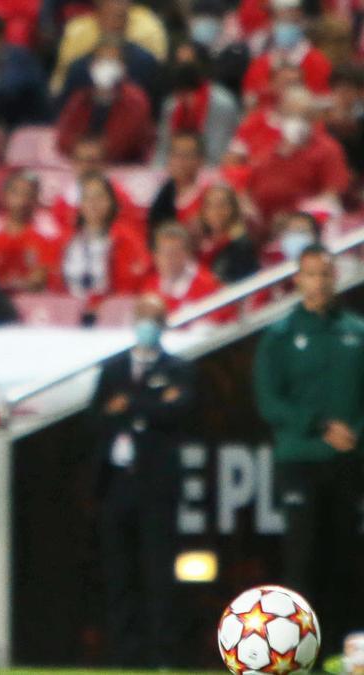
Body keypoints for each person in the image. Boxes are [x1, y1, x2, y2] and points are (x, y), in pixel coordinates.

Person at [253, 244, 364, 656]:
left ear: (336, 278)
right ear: (298, 280)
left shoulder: (356, 331)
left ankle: (340, 652)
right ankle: (300, 655)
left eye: (326, 274)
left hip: (348, 460)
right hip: (300, 459)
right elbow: (269, 401)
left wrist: (354, 434)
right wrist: (319, 426)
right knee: (302, 559)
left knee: (344, 556)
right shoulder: (279, 336)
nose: (319, 282)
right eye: (311, 274)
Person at [89, 293, 195, 668]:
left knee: (158, 574)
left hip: (157, 485)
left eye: (156, 317)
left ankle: (162, 656)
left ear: (164, 324)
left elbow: (179, 409)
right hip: (117, 484)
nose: (148, 324)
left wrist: (129, 404)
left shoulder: (178, 368)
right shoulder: (114, 369)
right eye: (143, 316)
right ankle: (124, 657)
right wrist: (151, 401)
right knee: (120, 575)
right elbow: (96, 418)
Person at [243, 86, 351, 224]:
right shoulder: (269, 150)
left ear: (313, 118)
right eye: (291, 114)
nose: (297, 121)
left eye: (304, 115)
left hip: (306, 225)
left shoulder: (328, 149)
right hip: (265, 223)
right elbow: (250, 190)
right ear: (280, 115)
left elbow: (331, 196)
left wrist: (295, 218)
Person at [55, 37, 154, 163]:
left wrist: (93, 152)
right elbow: (64, 137)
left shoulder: (136, 100)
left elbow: (124, 142)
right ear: (92, 66)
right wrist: (81, 151)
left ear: (123, 67)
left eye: (111, 61)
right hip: (83, 164)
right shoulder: (81, 97)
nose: (106, 66)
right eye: (101, 60)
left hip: (125, 167)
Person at [62, 174, 151, 310]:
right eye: (88, 197)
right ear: (80, 204)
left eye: (99, 197)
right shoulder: (68, 239)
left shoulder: (126, 238)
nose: (93, 203)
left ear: (111, 202)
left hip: (111, 313)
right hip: (69, 312)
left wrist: (106, 307)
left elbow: (132, 284)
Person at [50, 0, 167, 96]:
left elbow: (155, 80)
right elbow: (60, 84)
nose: (117, 6)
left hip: (134, 104)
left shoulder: (148, 28)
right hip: (85, 107)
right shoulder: (77, 31)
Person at [154, 41, 239, 166]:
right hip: (176, 167)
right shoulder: (171, 105)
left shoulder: (222, 104)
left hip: (211, 169)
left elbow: (219, 153)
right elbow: (163, 150)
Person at [0, 171, 64, 294]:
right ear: (4, 196)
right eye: (16, 193)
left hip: (35, 301)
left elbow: (40, 277)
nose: (22, 200)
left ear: (36, 199)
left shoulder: (48, 233)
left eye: (28, 194)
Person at [240, 0, 331, 107]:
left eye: (290, 12)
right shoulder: (261, 62)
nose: (284, 19)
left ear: (299, 14)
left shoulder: (317, 62)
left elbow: (324, 101)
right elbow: (249, 99)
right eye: (277, 14)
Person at [139, 223, 225, 318]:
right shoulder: (150, 285)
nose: (168, 259)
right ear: (155, 256)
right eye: (163, 252)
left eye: (174, 252)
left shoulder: (208, 285)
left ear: (187, 254)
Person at [195, 185, 259, 284]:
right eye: (210, 205)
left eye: (222, 205)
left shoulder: (242, 244)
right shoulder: (201, 246)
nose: (215, 211)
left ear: (233, 208)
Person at [148, 132, 211, 232]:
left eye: (187, 155)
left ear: (200, 160)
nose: (180, 160)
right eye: (175, 154)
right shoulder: (156, 192)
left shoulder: (210, 194)